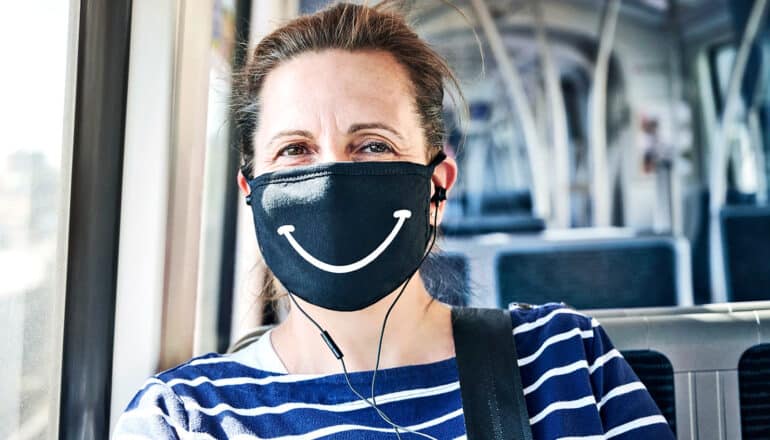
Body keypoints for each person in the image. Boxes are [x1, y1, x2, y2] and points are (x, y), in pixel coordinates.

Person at [114, 2, 675, 439]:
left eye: (373, 145)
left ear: (437, 185)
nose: (332, 177)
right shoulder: (186, 417)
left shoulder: (562, 360)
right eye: (295, 150)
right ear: (251, 193)